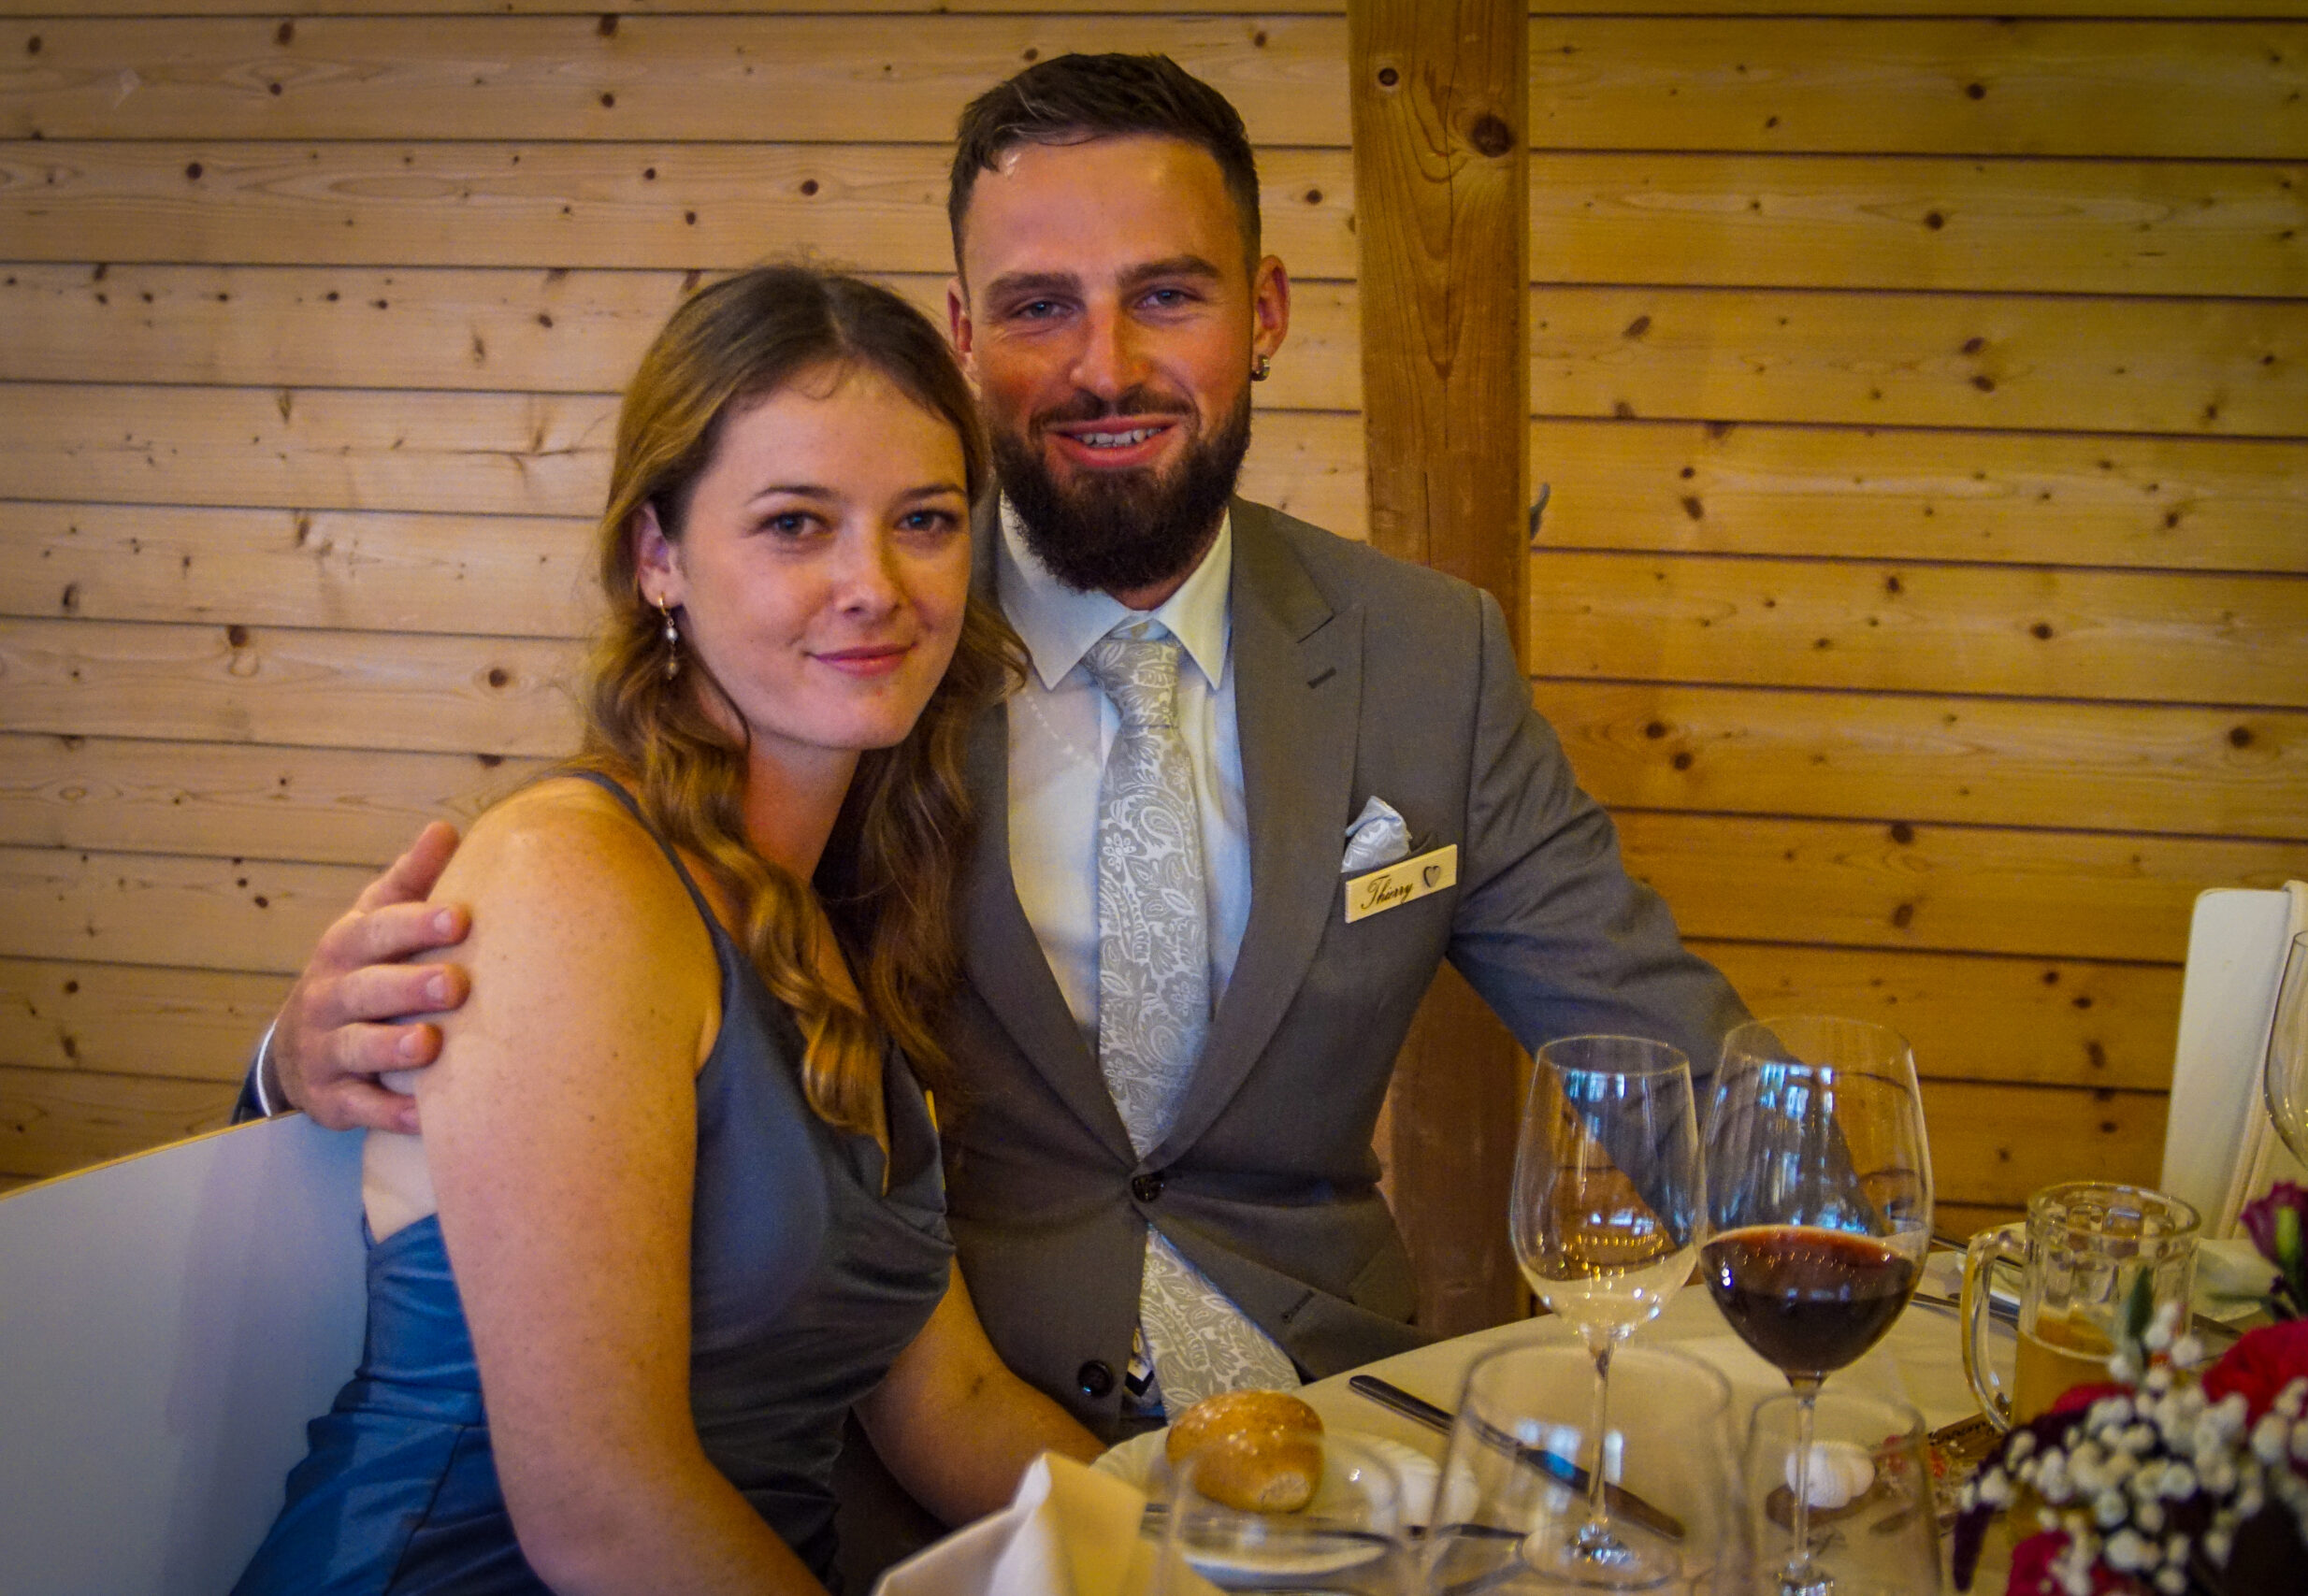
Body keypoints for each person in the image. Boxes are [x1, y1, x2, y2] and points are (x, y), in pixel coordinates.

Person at [240, 55, 1749, 1442]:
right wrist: (293, 1070)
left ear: (1266, 312)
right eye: (1038, 308)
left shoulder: (1430, 654)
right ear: (965, 337)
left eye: (1168, 295)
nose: (1104, 367)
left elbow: (1671, 1057)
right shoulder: (852, 656)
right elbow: (605, 980)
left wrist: (1831, 1255)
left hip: (1326, 1418)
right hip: (933, 1448)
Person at [232, 266, 1100, 1596]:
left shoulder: (830, 914)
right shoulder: (574, 879)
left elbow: (956, 1407)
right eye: (796, 524)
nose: (874, 584)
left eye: (923, 521)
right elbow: (600, 1510)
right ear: (658, 557)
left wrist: (1206, 1551)